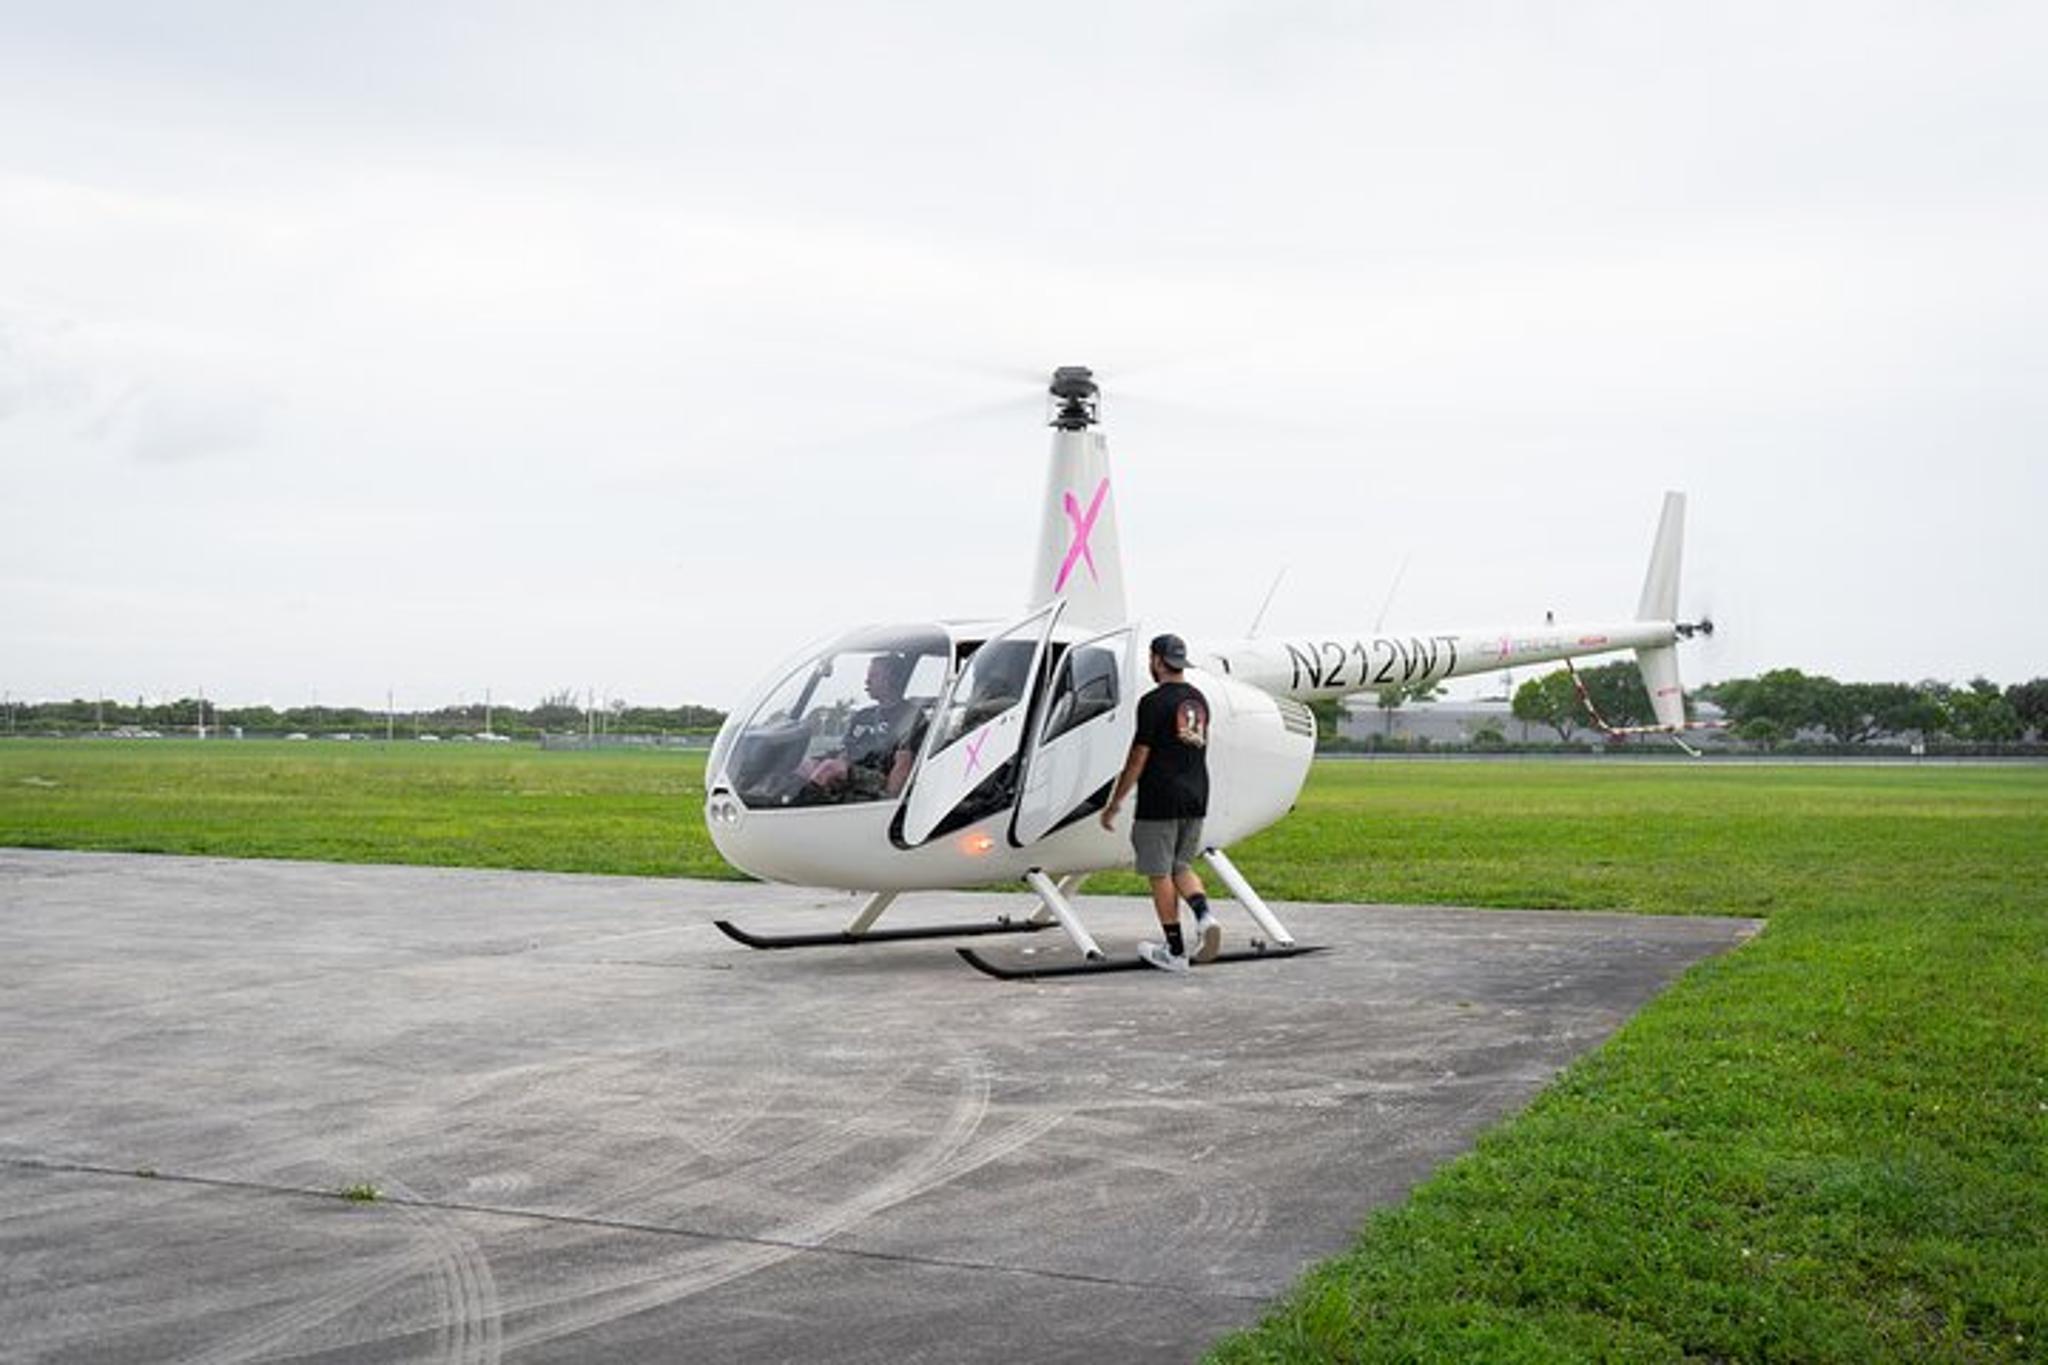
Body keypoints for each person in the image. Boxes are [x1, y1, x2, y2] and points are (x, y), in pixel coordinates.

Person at [1100, 633, 1220, 972]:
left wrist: (1115, 802)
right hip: (1196, 795)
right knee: (1181, 866)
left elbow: (1139, 756)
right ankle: (1205, 917)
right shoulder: (1198, 699)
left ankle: (1175, 950)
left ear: (1156, 660)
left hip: (1160, 799)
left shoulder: (1153, 702)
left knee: (1159, 872)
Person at [802, 653, 926, 801]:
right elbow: (846, 752)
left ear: (892, 679)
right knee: (804, 766)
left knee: (829, 768)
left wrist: (888, 805)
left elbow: (903, 765)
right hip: (853, 772)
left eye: (874, 675)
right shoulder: (863, 715)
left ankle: (802, 805)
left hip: (880, 777)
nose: (867, 681)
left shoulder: (910, 716)